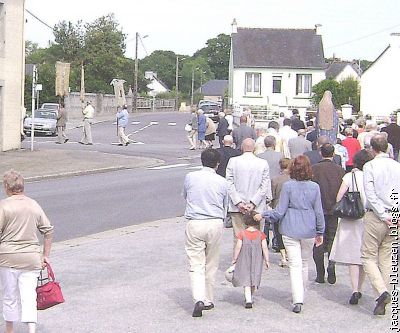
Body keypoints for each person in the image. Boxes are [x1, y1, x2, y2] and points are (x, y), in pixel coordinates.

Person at [254, 155, 325, 314]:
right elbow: (319, 212)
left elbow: (279, 212)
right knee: (305, 262)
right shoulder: (314, 187)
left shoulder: (288, 186)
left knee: (294, 264)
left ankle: (297, 298)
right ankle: (302, 292)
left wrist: (264, 214)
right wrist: (320, 231)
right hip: (309, 228)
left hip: (290, 228)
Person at [0, 170, 54, 333]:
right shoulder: (33, 204)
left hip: (7, 258)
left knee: (10, 296)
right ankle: (31, 330)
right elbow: (48, 231)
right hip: (31, 259)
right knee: (29, 296)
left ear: (6, 187)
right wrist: (45, 255)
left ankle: (9, 330)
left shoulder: (3, 206)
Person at [183, 149, 228, 318]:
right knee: (211, 262)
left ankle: (198, 298)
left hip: (195, 221)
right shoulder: (222, 181)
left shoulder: (190, 177)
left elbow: (185, 195)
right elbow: (226, 203)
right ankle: (208, 298)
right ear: (217, 164)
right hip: (214, 221)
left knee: (195, 262)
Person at [361, 134, 400, 315]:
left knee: (368, 256)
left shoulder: (370, 166)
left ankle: (382, 291)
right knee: (386, 257)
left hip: (377, 215)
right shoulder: (397, 166)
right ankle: (385, 293)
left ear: (372, 149)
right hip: (395, 215)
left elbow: (370, 193)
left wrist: (383, 214)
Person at [329, 150, 373, 305]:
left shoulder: (350, 176)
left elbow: (339, 197)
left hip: (351, 219)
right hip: (368, 217)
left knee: (352, 257)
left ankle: (354, 289)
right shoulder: (371, 176)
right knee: (365, 256)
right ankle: (360, 288)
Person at [226, 138, 271, 245]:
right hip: (257, 207)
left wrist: (238, 202)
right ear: (254, 148)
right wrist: (253, 202)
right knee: (256, 237)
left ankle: (239, 260)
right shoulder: (263, 163)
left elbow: (229, 183)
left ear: (242, 147)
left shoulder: (233, 161)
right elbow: (264, 186)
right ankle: (255, 260)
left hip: (237, 207)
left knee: (238, 237)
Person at [312, 143, 346, 284]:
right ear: (333, 154)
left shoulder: (315, 169)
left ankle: (320, 273)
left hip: (318, 208)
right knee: (332, 238)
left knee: (319, 239)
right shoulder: (340, 170)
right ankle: (331, 263)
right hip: (334, 209)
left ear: (321, 153)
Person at [231, 212, 270, 308]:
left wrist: (234, 258)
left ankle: (248, 299)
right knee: (254, 278)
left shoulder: (242, 234)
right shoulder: (261, 235)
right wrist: (267, 260)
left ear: (245, 222)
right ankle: (251, 296)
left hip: (244, 259)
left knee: (246, 280)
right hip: (257, 260)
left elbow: (238, 247)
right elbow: (265, 248)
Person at [270, 158, 291, 267]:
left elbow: (272, 195)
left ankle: (283, 257)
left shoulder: (275, 179)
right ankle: (289, 254)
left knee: (278, 232)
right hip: (290, 208)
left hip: (277, 207)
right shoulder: (293, 179)